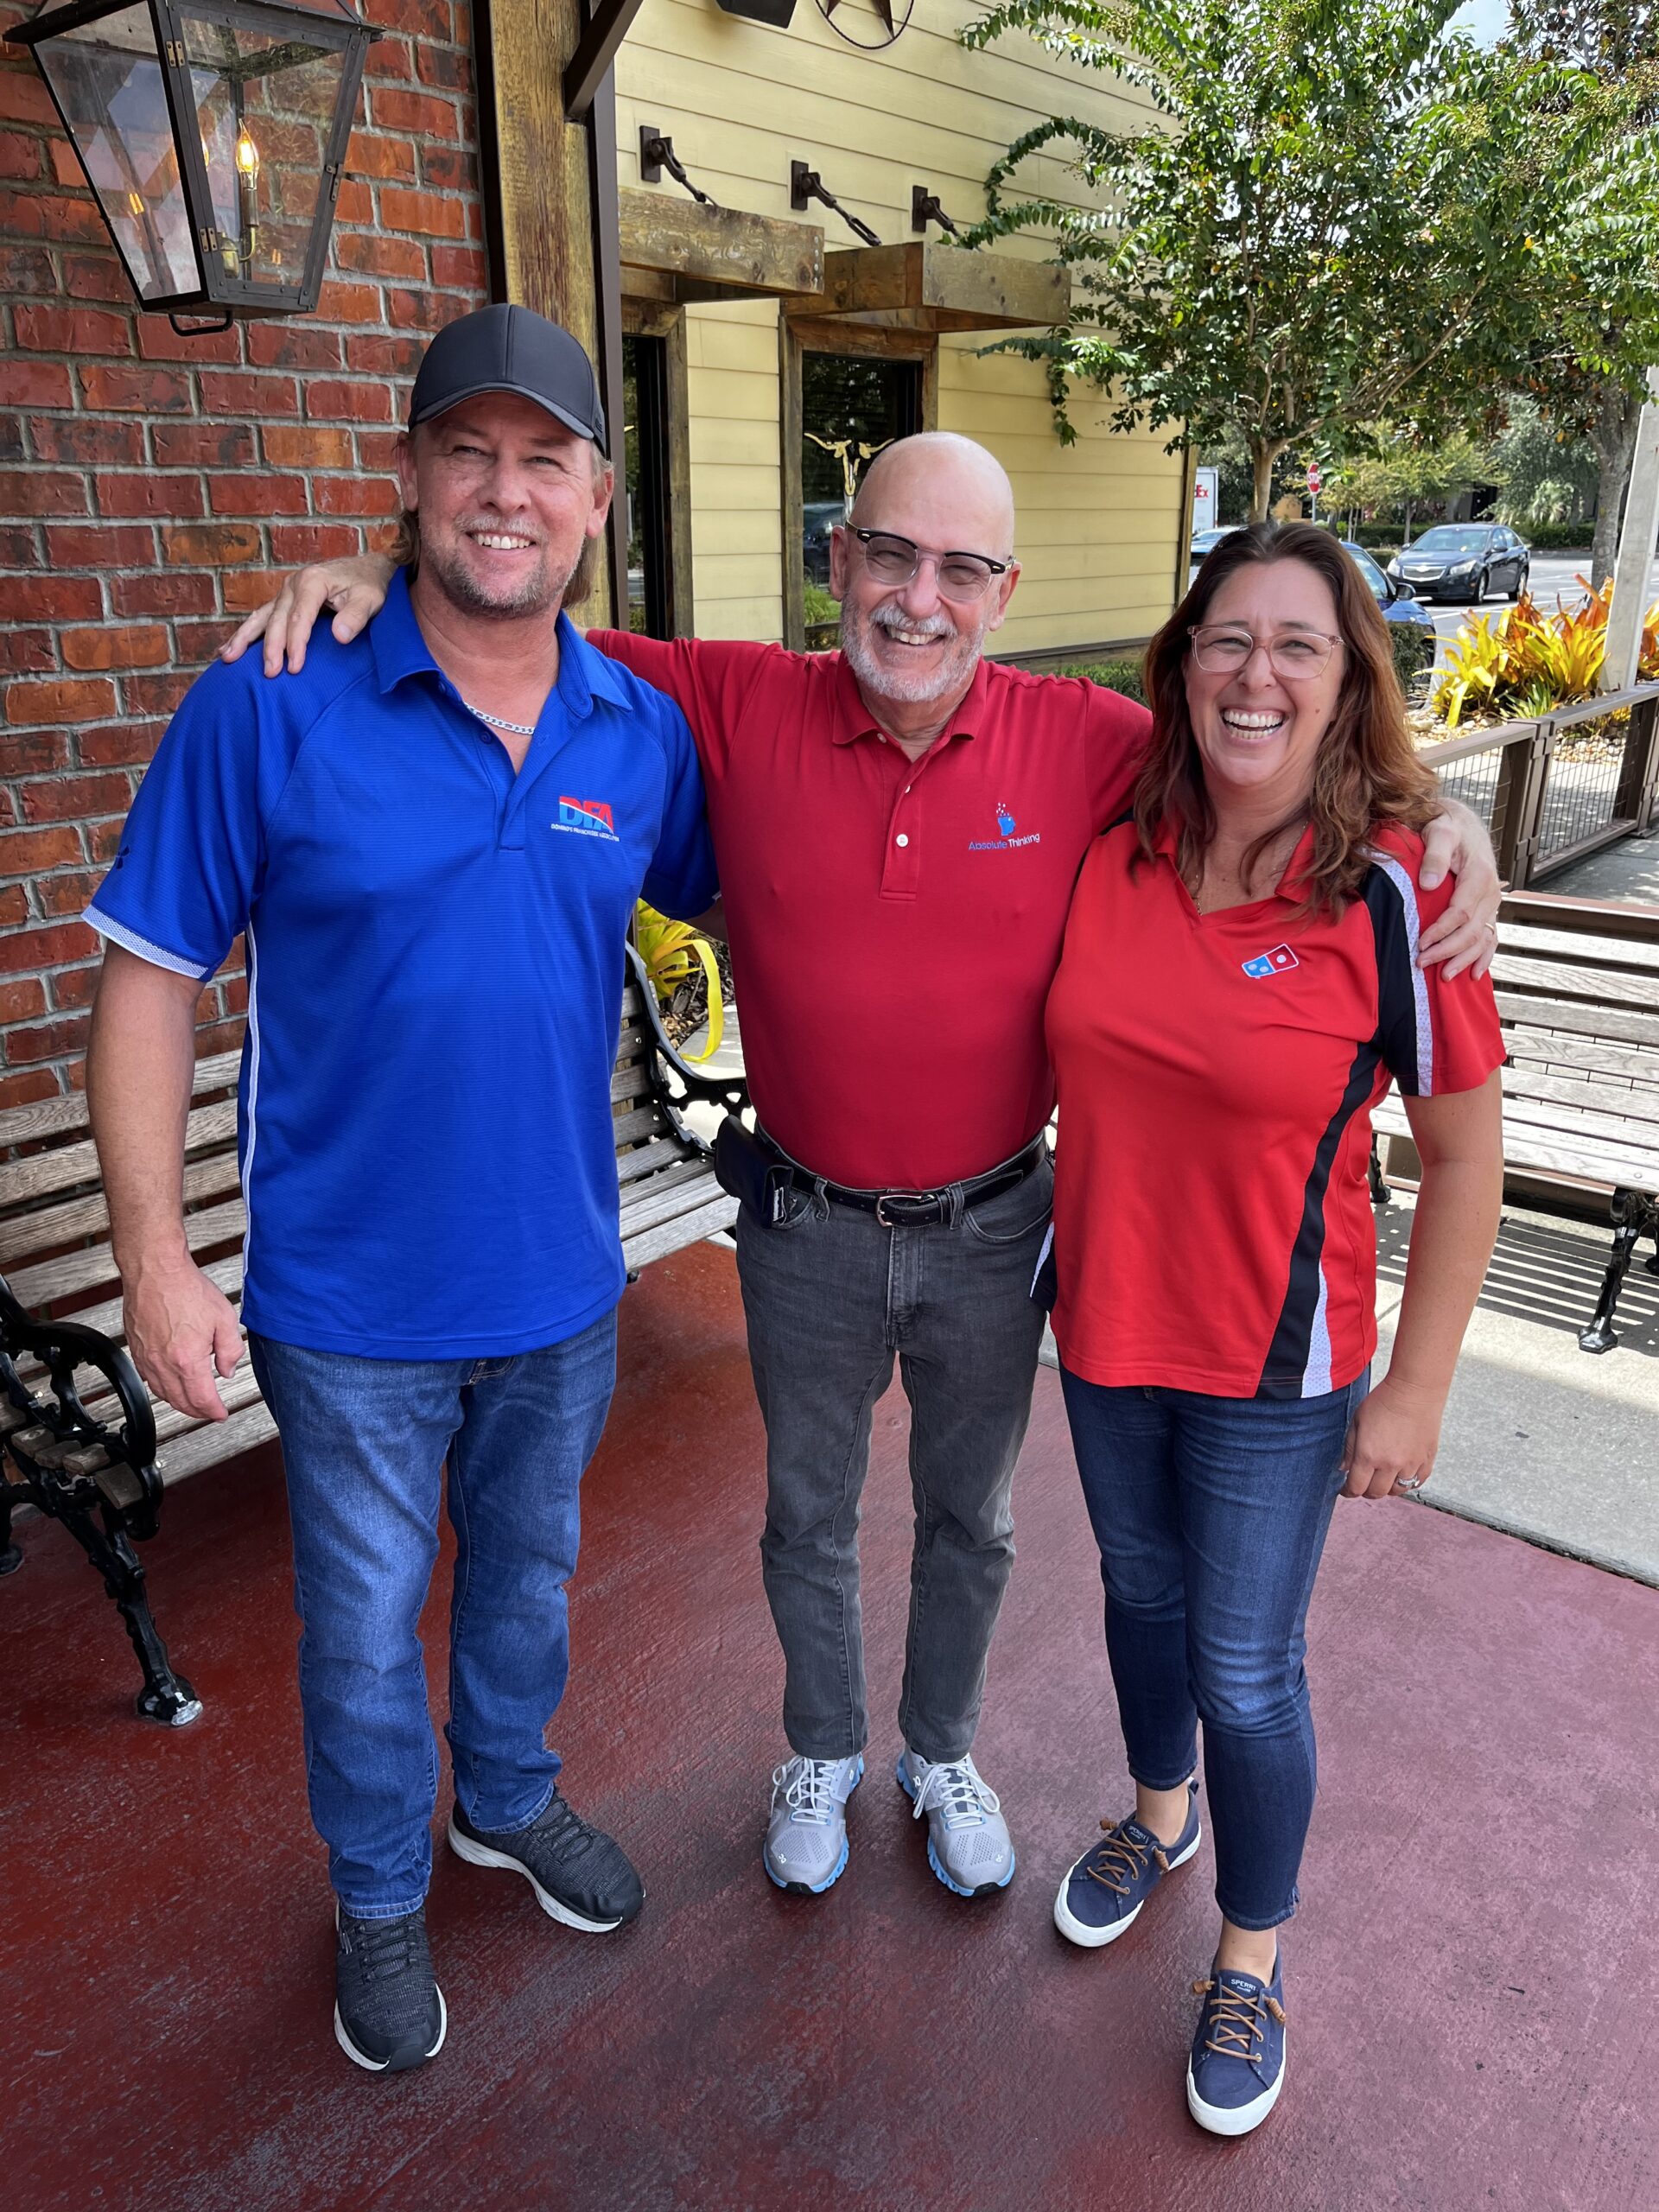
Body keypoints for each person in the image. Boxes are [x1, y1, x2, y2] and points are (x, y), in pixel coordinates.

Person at [222, 444, 1502, 1907]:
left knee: (976, 1521)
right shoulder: (732, 697)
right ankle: (821, 1748)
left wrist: (1436, 822)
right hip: (805, 1219)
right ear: (836, 563)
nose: (919, 599)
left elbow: (1276, 745)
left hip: (995, 1222)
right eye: (889, 556)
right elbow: (508, 609)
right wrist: (384, 575)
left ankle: (940, 1748)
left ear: (1006, 595)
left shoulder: (1090, 741)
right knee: (806, 1517)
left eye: (962, 570)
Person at [84, 306, 717, 2075]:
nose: (501, 493)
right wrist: (156, 1258)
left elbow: (812, 840)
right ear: (410, 475)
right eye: (466, 451)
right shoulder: (273, 699)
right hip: (344, 1307)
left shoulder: (635, 735)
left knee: (528, 1576)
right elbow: (146, 977)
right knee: (362, 1627)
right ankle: (377, 1892)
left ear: (597, 494)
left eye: (542, 459)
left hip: (561, 1287)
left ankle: (502, 1800)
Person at [1043, 523, 1504, 2137]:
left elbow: (1464, 1157)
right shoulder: (1114, 831)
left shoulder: (1398, 889)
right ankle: (1157, 1818)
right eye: (1227, 640)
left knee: (1247, 1669)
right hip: (1100, 1323)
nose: (1257, 674)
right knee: (1137, 1595)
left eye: (1297, 646)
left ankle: (1250, 1954)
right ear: (1181, 664)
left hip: (1279, 1367)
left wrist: (1420, 1391)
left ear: (1345, 677)